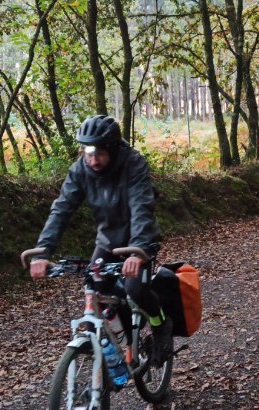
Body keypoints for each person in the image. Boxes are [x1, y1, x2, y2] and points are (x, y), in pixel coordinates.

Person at [28, 115, 171, 362]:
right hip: (107, 242)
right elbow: (61, 209)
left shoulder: (132, 164)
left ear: (113, 149)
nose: (92, 160)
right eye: (87, 152)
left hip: (138, 241)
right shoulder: (80, 170)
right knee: (96, 288)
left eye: (98, 153)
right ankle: (126, 344)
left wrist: (138, 250)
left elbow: (141, 206)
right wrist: (43, 252)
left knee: (134, 289)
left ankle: (160, 324)